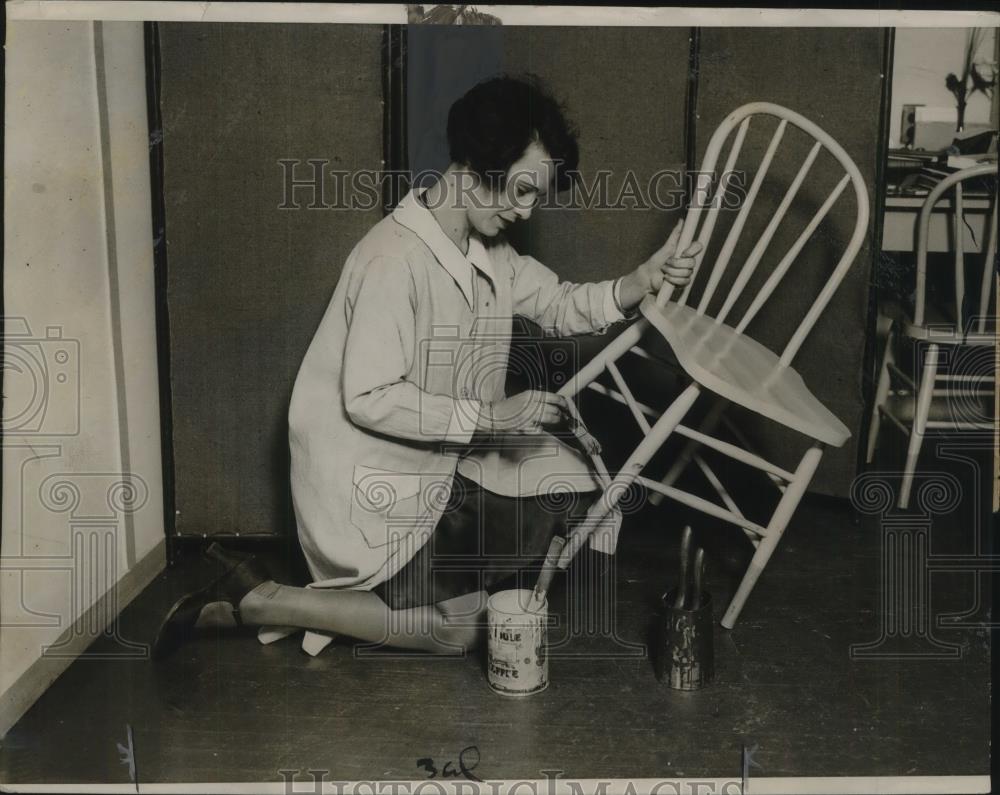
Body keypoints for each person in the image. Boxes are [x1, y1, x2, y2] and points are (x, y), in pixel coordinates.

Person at [152, 75, 699, 660]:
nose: (526, 210)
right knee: (462, 631)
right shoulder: (392, 258)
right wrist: (491, 416)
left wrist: (638, 282)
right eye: (521, 190)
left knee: (559, 490)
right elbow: (368, 398)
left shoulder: (487, 249)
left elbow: (560, 304)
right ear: (475, 163)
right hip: (368, 478)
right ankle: (264, 599)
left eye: (534, 196)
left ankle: (302, 594)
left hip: (437, 460)